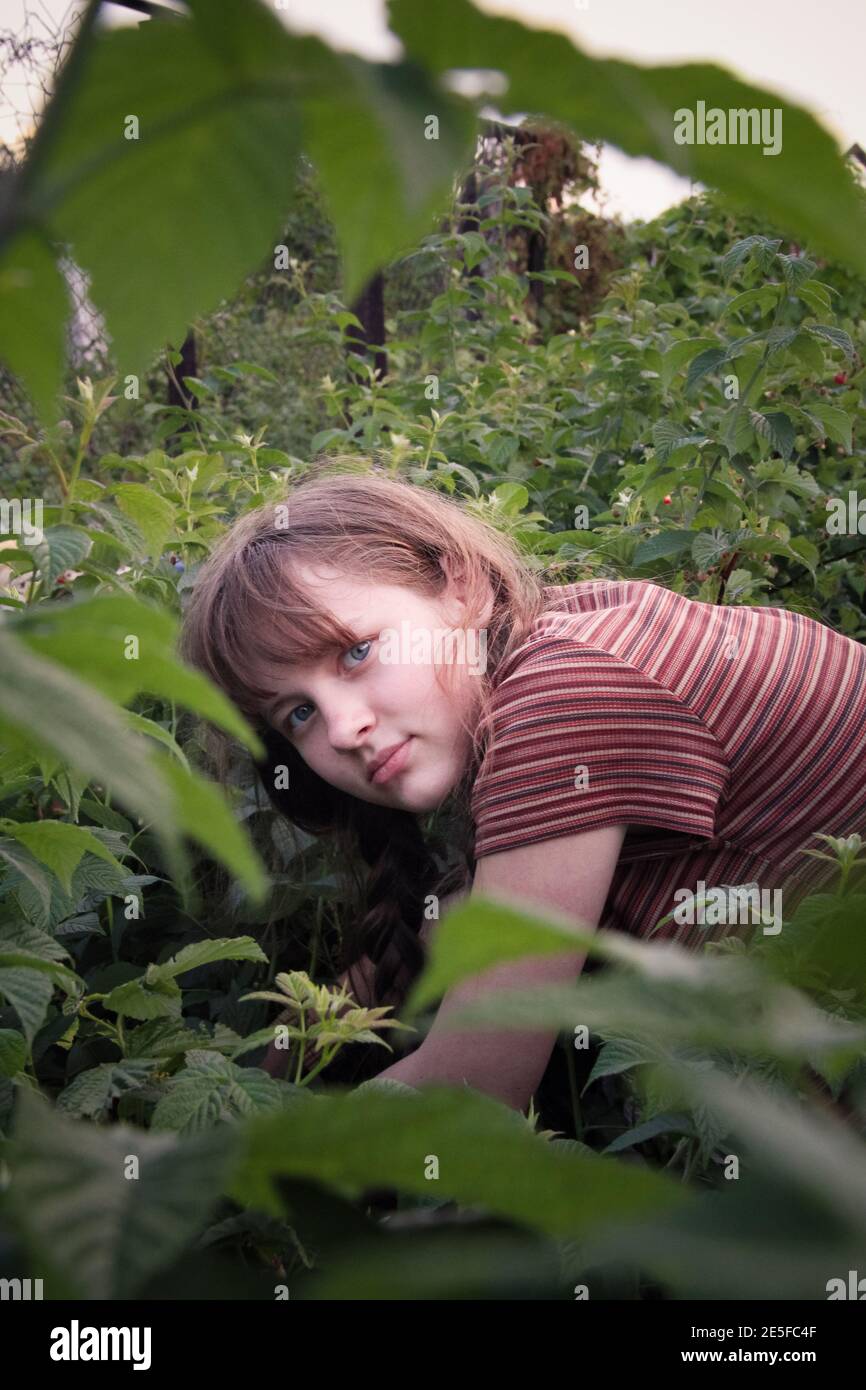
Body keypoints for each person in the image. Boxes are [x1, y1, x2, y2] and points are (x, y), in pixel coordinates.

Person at [179, 463, 866, 1112]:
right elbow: (437, 922)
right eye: (298, 713)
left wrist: (231, 1177)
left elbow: (476, 1085)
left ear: (461, 590)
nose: (343, 728)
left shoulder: (564, 698)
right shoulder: (545, 645)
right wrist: (243, 1086)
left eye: (356, 652)